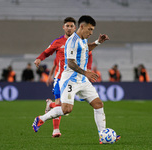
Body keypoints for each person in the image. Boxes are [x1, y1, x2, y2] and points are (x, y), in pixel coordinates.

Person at [32, 15, 121, 143]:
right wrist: (86, 72)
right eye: (89, 29)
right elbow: (70, 63)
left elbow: (85, 49)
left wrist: (97, 42)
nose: (91, 33)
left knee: (98, 104)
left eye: (92, 30)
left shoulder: (83, 39)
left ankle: (103, 135)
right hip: (70, 80)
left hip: (82, 80)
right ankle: (41, 118)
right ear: (82, 26)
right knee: (66, 109)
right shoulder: (72, 41)